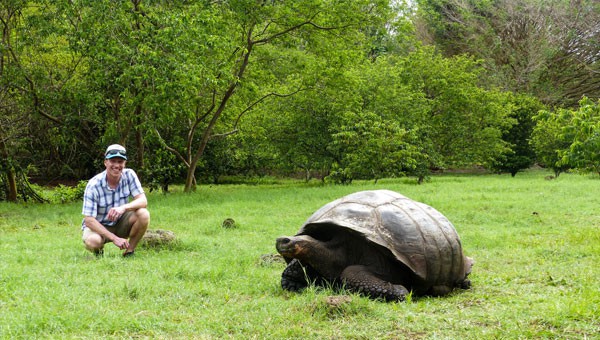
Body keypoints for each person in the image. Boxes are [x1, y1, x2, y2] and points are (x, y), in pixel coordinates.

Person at [81, 144, 150, 257]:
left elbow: (143, 201)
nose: (117, 165)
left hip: (120, 222)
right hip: (98, 226)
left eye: (120, 161)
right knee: (93, 242)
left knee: (143, 214)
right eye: (113, 161)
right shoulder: (93, 185)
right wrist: (114, 239)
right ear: (105, 162)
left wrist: (123, 208)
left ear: (125, 163)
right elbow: (89, 220)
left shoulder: (130, 175)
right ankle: (99, 254)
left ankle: (129, 252)